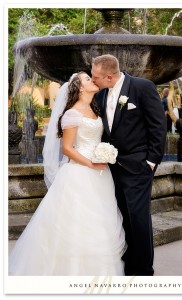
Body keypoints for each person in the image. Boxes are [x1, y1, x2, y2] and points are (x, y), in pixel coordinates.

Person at [9, 72, 126, 276]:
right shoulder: (72, 113)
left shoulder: (94, 108)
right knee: (77, 224)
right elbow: (68, 148)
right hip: (80, 174)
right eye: (88, 79)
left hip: (100, 174)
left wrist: (103, 156)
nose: (93, 80)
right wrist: (92, 163)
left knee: (99, 223)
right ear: (80, 88)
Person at [91, 54, 167, 276]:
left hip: (138, 166)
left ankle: (143, 270)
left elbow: (158, 126)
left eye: (96, 77)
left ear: (109, 76)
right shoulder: (102, 94)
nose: (93, 80)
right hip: (112, 168)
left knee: (138, 218)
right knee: (121, 216)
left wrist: (151, 161)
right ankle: (128, 264)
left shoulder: (142, 87)